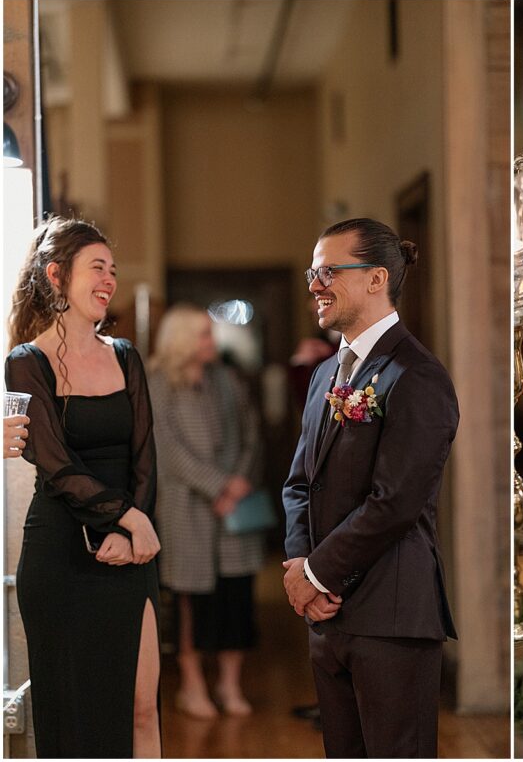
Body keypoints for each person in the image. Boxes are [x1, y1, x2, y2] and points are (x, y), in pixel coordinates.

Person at [282, 218, 459, 758]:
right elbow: (298, 484)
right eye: (313, 272)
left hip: (392, 614)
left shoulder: (417, 375)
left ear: (376, 278)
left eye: (328, 271)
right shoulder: (324, 376)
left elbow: (396, 502)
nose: (314, 284)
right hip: (328, 616)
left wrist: (316, 573)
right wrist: (298, 569)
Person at [4, 216, 161, 757]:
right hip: (60, 555)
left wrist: (134, 525)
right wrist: (127, 517)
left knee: (141, 707)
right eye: (97, 267)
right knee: (70, 723)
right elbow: (56, 463)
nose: (109, 279)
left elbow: (146, 456)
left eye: (113, 270)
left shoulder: (125, 356)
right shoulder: (26, 364)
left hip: (132, 553)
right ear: (56, 276)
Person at [148, 304, 265, 718]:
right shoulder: (157, 382)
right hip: (186, 507)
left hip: (236, 506)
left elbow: (252, 433)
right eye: (202, 334)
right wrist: (216, 485)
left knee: (236, 597)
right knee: (189, 600)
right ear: (180, 340)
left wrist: (236, 483)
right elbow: (167, 448)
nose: (211, 341)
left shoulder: (227, 378)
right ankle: (192, 685)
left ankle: (229, 685)